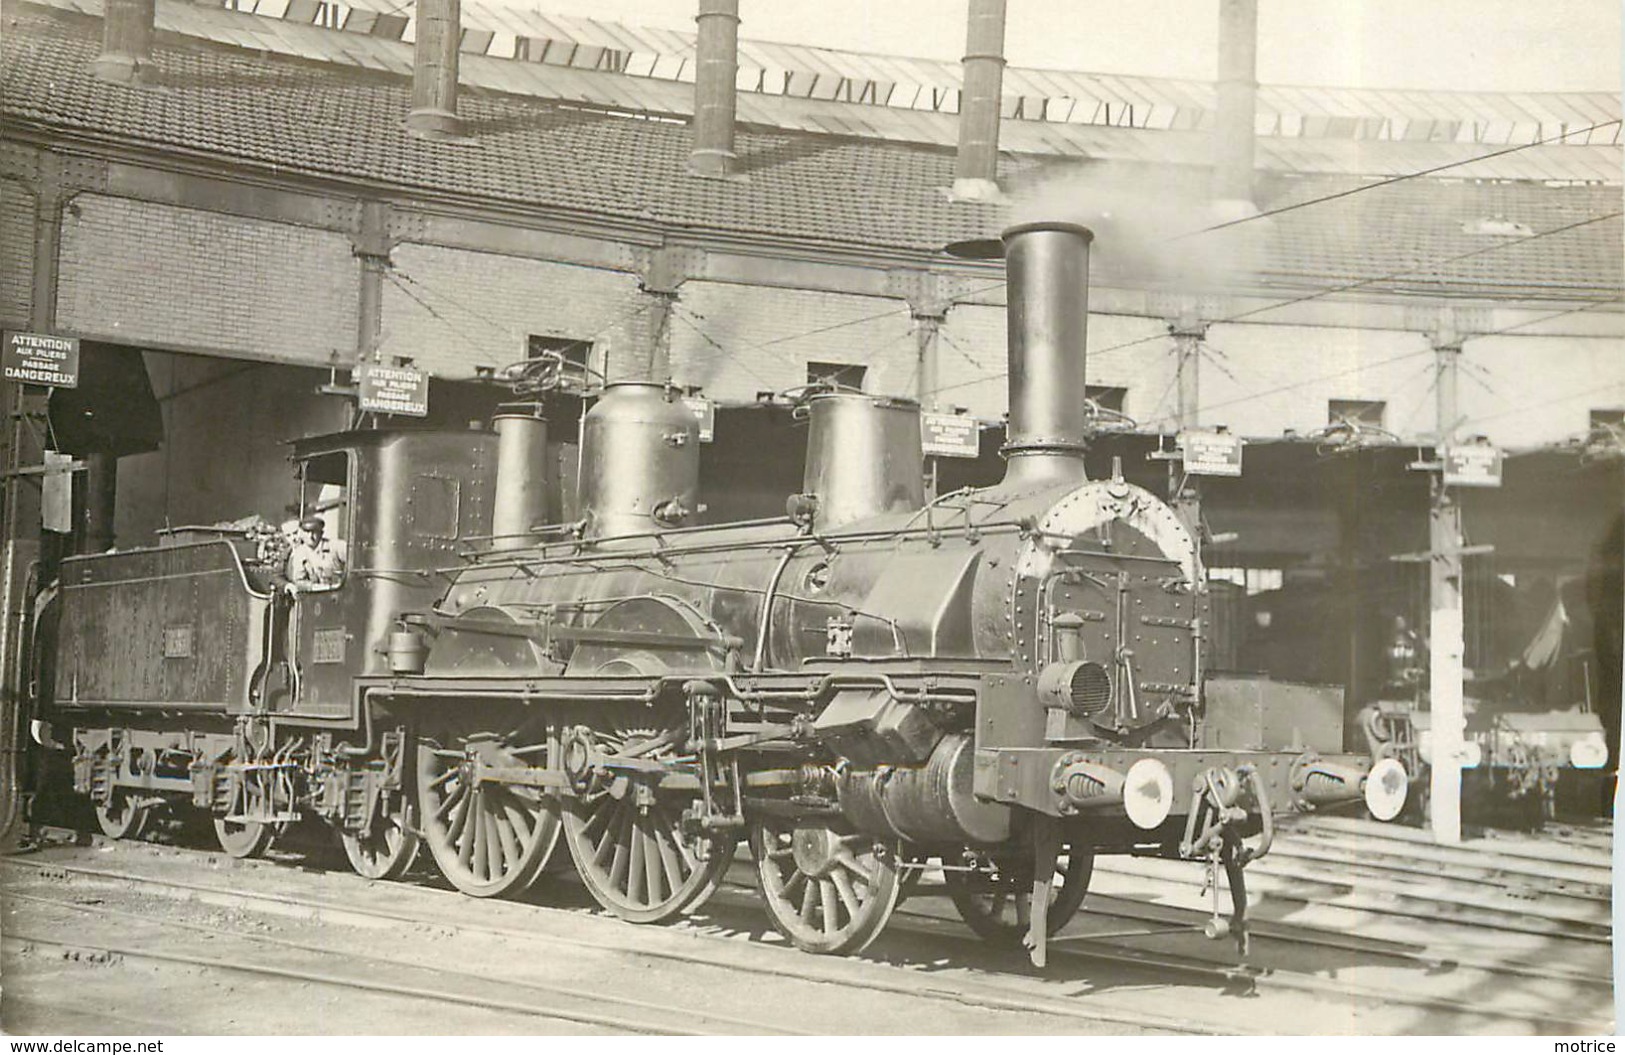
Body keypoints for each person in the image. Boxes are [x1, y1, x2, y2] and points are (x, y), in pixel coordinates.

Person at [286, 516, 345, 590]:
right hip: (316, 596)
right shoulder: (300, 553)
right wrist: (314, 587)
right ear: (302, 534)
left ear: (321, 533)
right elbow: (299, 581)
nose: (310, 536)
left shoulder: (336, 546)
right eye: (307, 532)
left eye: (314, 532)